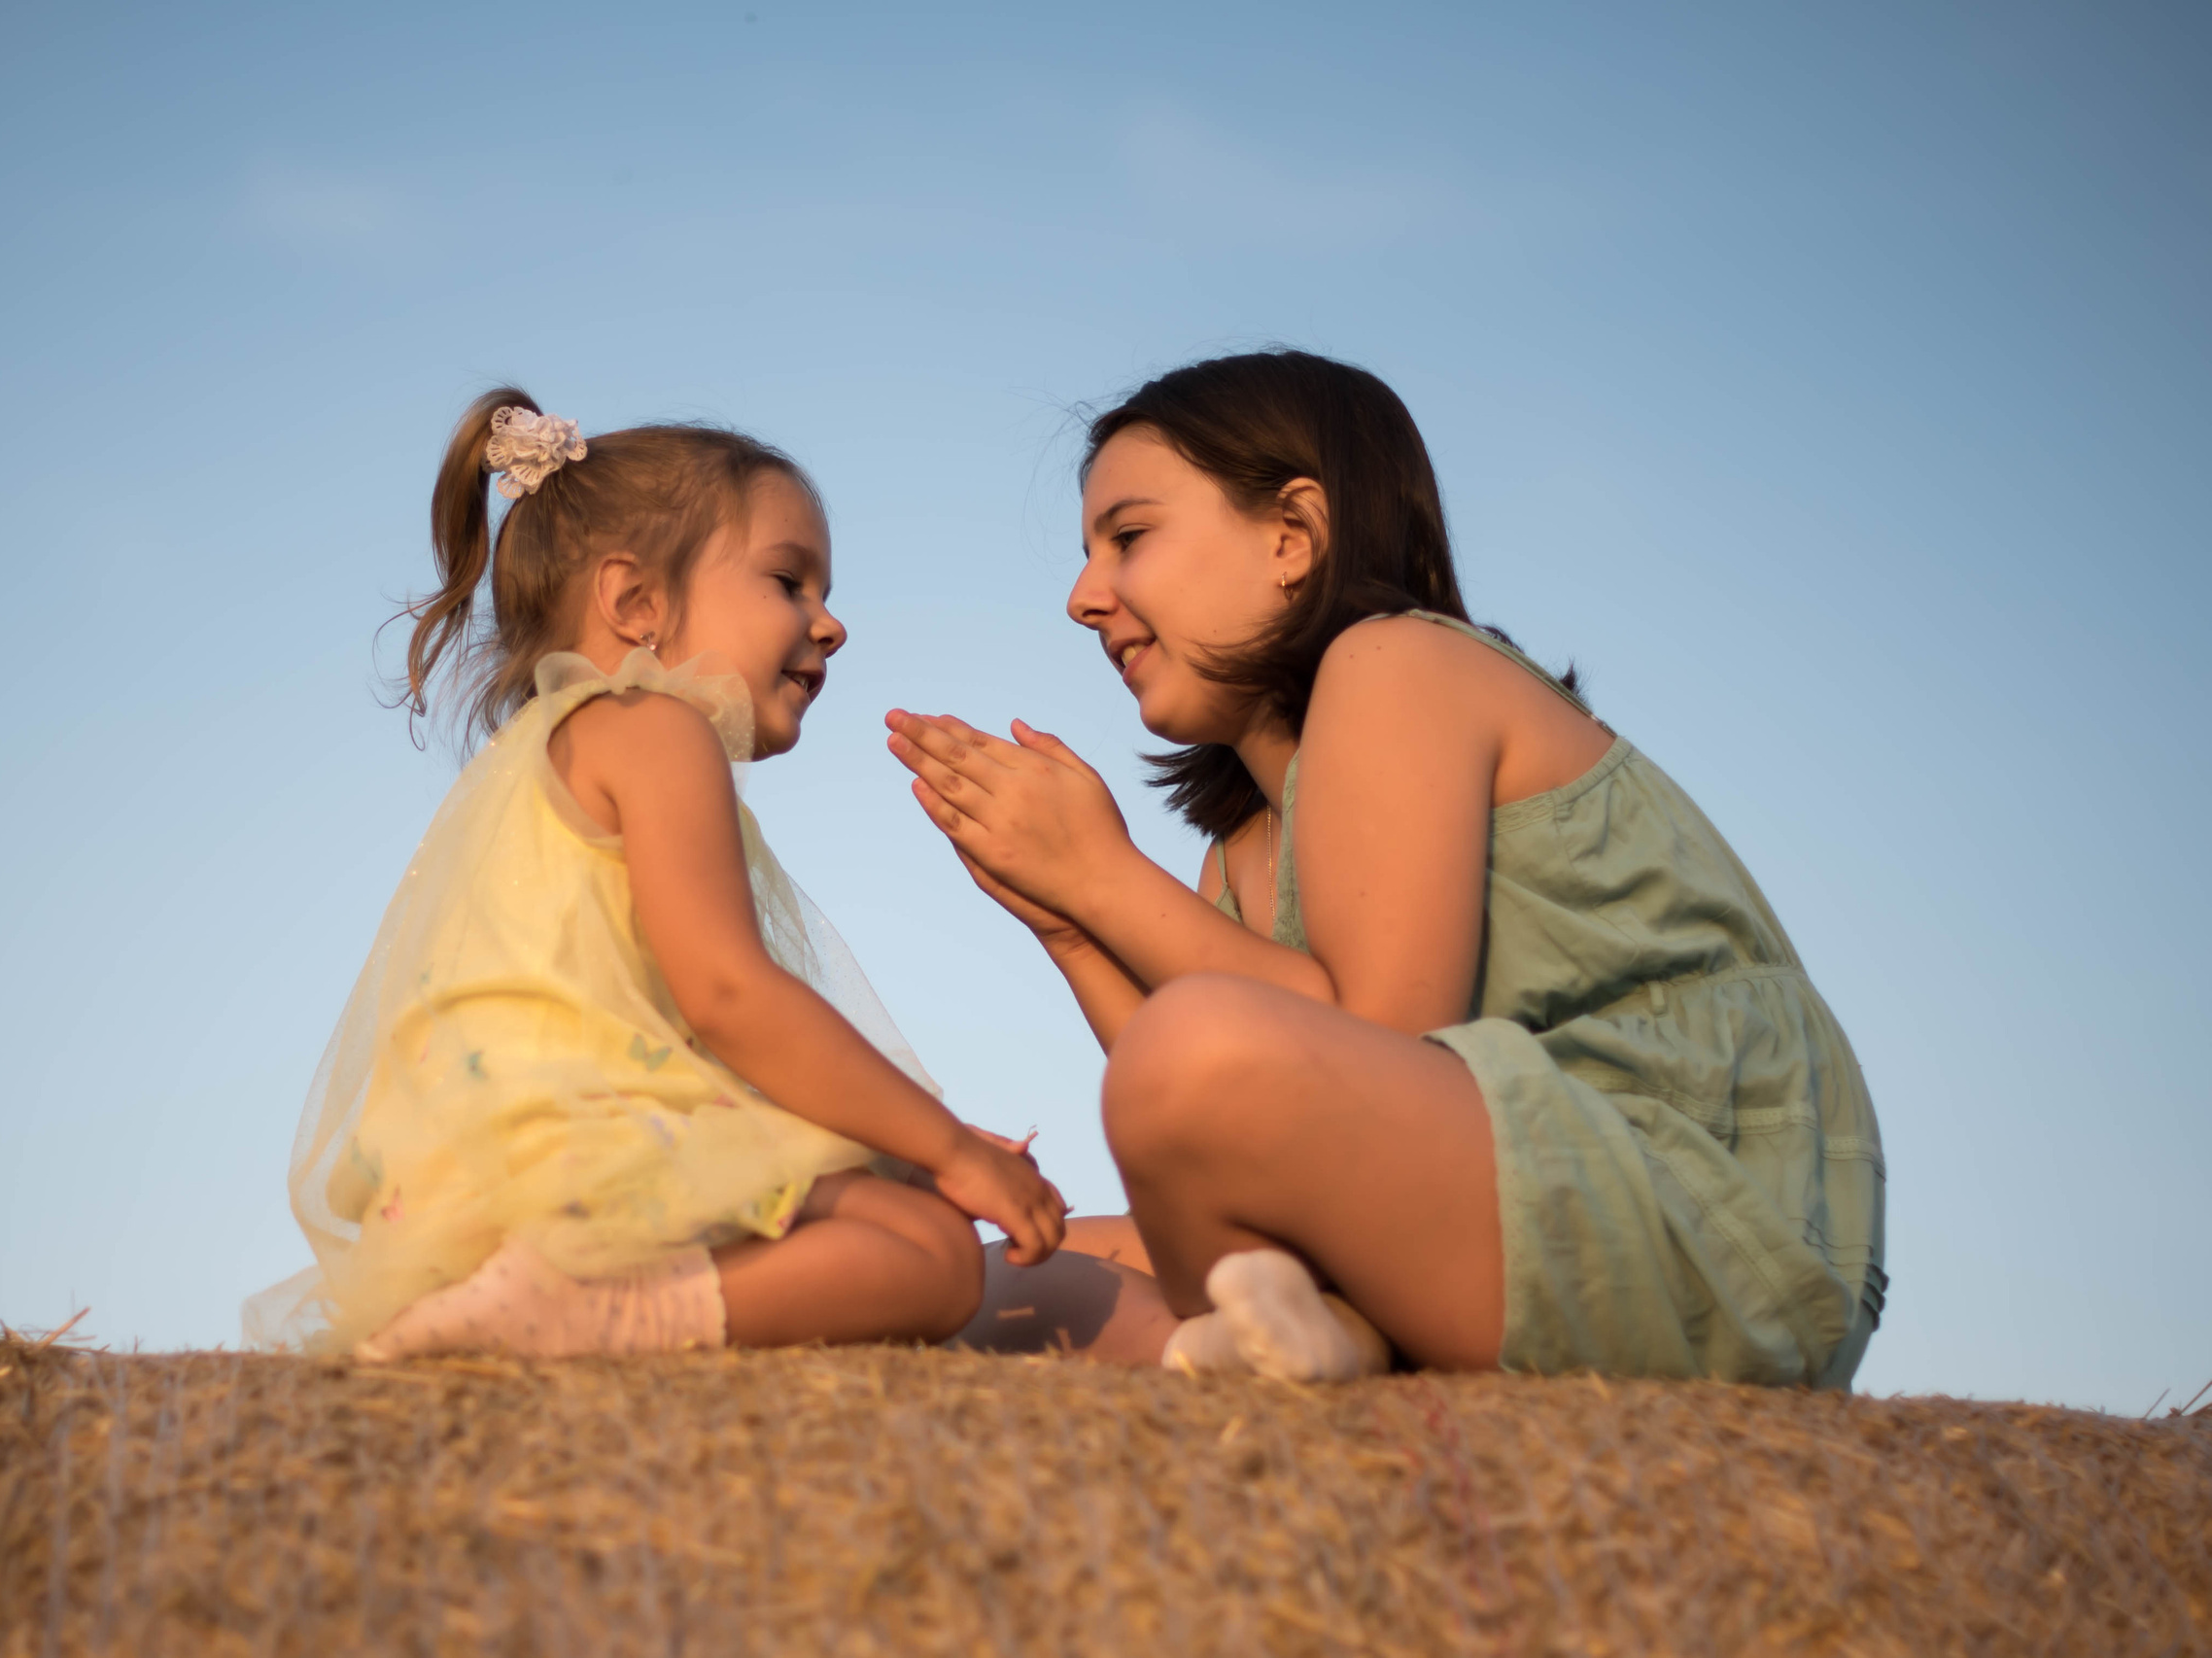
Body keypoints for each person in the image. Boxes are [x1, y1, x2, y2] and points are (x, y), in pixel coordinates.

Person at [889, 350, 1884, 1387]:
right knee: (979, 1275)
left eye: (1128, 537)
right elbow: (1214, 1127)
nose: (1083, 595)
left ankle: (1335, 1334)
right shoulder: (1239, 849)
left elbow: (1367, 1038)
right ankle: (1294, 1340)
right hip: (1489, 1195)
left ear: (1292, 534)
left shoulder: (1396, 662)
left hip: (1687, 1200)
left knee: (1188, 1053)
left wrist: (1102, 873)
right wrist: (1069, 923)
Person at [251, 388, 1064, 1362]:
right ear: (636, 603)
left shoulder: (545, 755)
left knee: (890, 1202)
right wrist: (950, 1149)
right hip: (571, 1152)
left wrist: (901, 1141)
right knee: (931, 1251)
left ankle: (546, 1300)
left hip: (460, 1176)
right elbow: (728, 995)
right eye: (790, 581)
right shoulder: (655, 728)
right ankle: (590, 1318)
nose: (831, 622)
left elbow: (684, 1041)